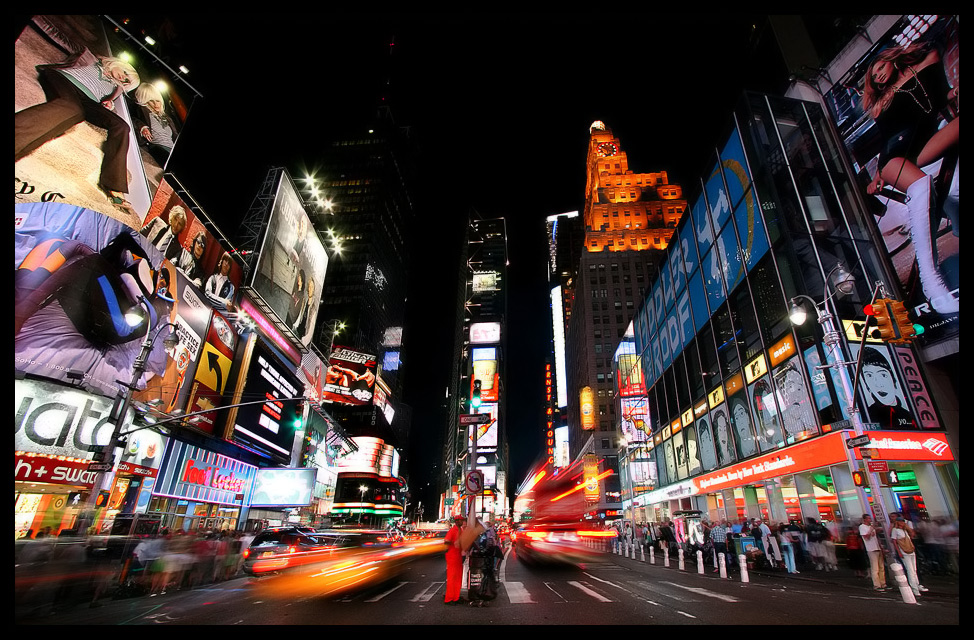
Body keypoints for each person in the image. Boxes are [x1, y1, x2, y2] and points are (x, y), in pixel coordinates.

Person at [862, 42, 959, 315]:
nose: (878, 76)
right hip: (895, 157)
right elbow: (887, 140)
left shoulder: (925, 64)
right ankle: (932, 285)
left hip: (924, 144)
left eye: (880, 67)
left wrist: (954, 92)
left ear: (890, 59)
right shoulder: (881, 103)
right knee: (920, 185)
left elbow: (942, 95)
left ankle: (954, 209)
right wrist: (879, 174)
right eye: (874, 77)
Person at [15, 48, 141, 209]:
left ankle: (114, 185)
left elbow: (105, 101)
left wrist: (108, 104)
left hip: (89, 101)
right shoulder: (94, 61)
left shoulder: (115, 88)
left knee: (122, 126)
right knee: (72, 109)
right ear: (117, 63)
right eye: (124, 72)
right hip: (65, 81)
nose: (122, 78)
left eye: (126, 81)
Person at [132, 83, 179, 166]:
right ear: (145, 100)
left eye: (157, 101)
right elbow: (132, 118)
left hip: (171, 149)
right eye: (151, 101)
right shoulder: (141, 110)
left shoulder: (167, 118)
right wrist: (142, 127)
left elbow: (175, 136)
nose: (156, 104)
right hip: (157, 147)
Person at [891, 518, 927, 596]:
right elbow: (894, 541)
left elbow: (912, 535)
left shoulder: (905, 530)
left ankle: (917, 584)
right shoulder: (895, 530)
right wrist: (899, 552)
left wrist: (908, 528)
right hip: (904, 551)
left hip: (910, 550)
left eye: (903, 521)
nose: (902, 523)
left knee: (914, 569)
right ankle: (914, 588)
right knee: (910, 570)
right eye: (900, 521)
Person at [859, 514, 888, 591]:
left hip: (877, 548)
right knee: (875, 568)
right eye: (868, 518)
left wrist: (881, 547)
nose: (870, 520)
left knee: (881, 567)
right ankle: (876, 585)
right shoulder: (862, 527)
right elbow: (866, 537)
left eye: (870, 518)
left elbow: (876, 538)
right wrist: (871, 529)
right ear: (864, 519)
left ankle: (883, 583)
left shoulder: (870, 527)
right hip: (871, 549)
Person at [443, 515, 466, 605]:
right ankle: (449, 598)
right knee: (452, 578)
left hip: (458, 556)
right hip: (452, 556)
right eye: (461, 520)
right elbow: (447, 541)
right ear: (457, 521)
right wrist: (454, 543)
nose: (462, 522)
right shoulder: (453, 530)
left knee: (458, 577)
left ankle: (456, 597)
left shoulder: (461, 530)